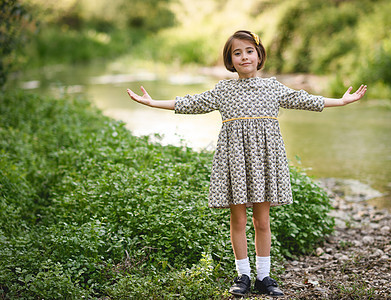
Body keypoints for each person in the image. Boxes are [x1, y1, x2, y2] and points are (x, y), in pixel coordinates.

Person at [127, 30, 367, 297]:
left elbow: (306, 100)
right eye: (237, 53)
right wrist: (152, 103)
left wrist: (342, 101)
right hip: (235, 161)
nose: (244, 57)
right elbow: (191, 103)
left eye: (249, 51)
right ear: (230, 60)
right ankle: (243, 275)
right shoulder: (223, 90)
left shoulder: (273, 87)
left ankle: (264, 276)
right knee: (238, 219)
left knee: (262, 221)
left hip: (264, 159)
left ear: (259, 54)